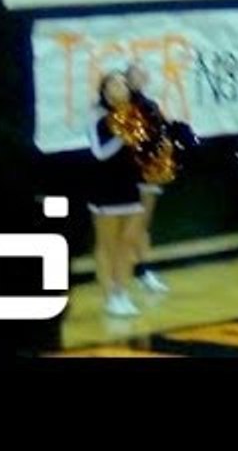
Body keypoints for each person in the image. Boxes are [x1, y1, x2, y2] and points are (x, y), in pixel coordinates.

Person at [87, 71, 147, 317]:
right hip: (106, 188)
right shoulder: (97, 117)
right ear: (105, 91)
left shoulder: (136, 114)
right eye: (114, 83)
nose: (120, 87)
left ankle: (122, 293)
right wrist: (123, 137)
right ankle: (109, 296)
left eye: (123, 83)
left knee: (128, 244)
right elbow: (99, 154)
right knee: (107, 246)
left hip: (131, 187)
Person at [125, 62, 171, 294]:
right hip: (124, 174)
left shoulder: (151, 106)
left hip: (148, 173)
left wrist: (160, 168)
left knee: (142, 225)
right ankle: (122, 272)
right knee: (124, 227)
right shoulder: (119, 107)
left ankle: (144, 270)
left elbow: (162, 138)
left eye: (142, 75)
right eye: (134, 75)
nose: (138, 79)